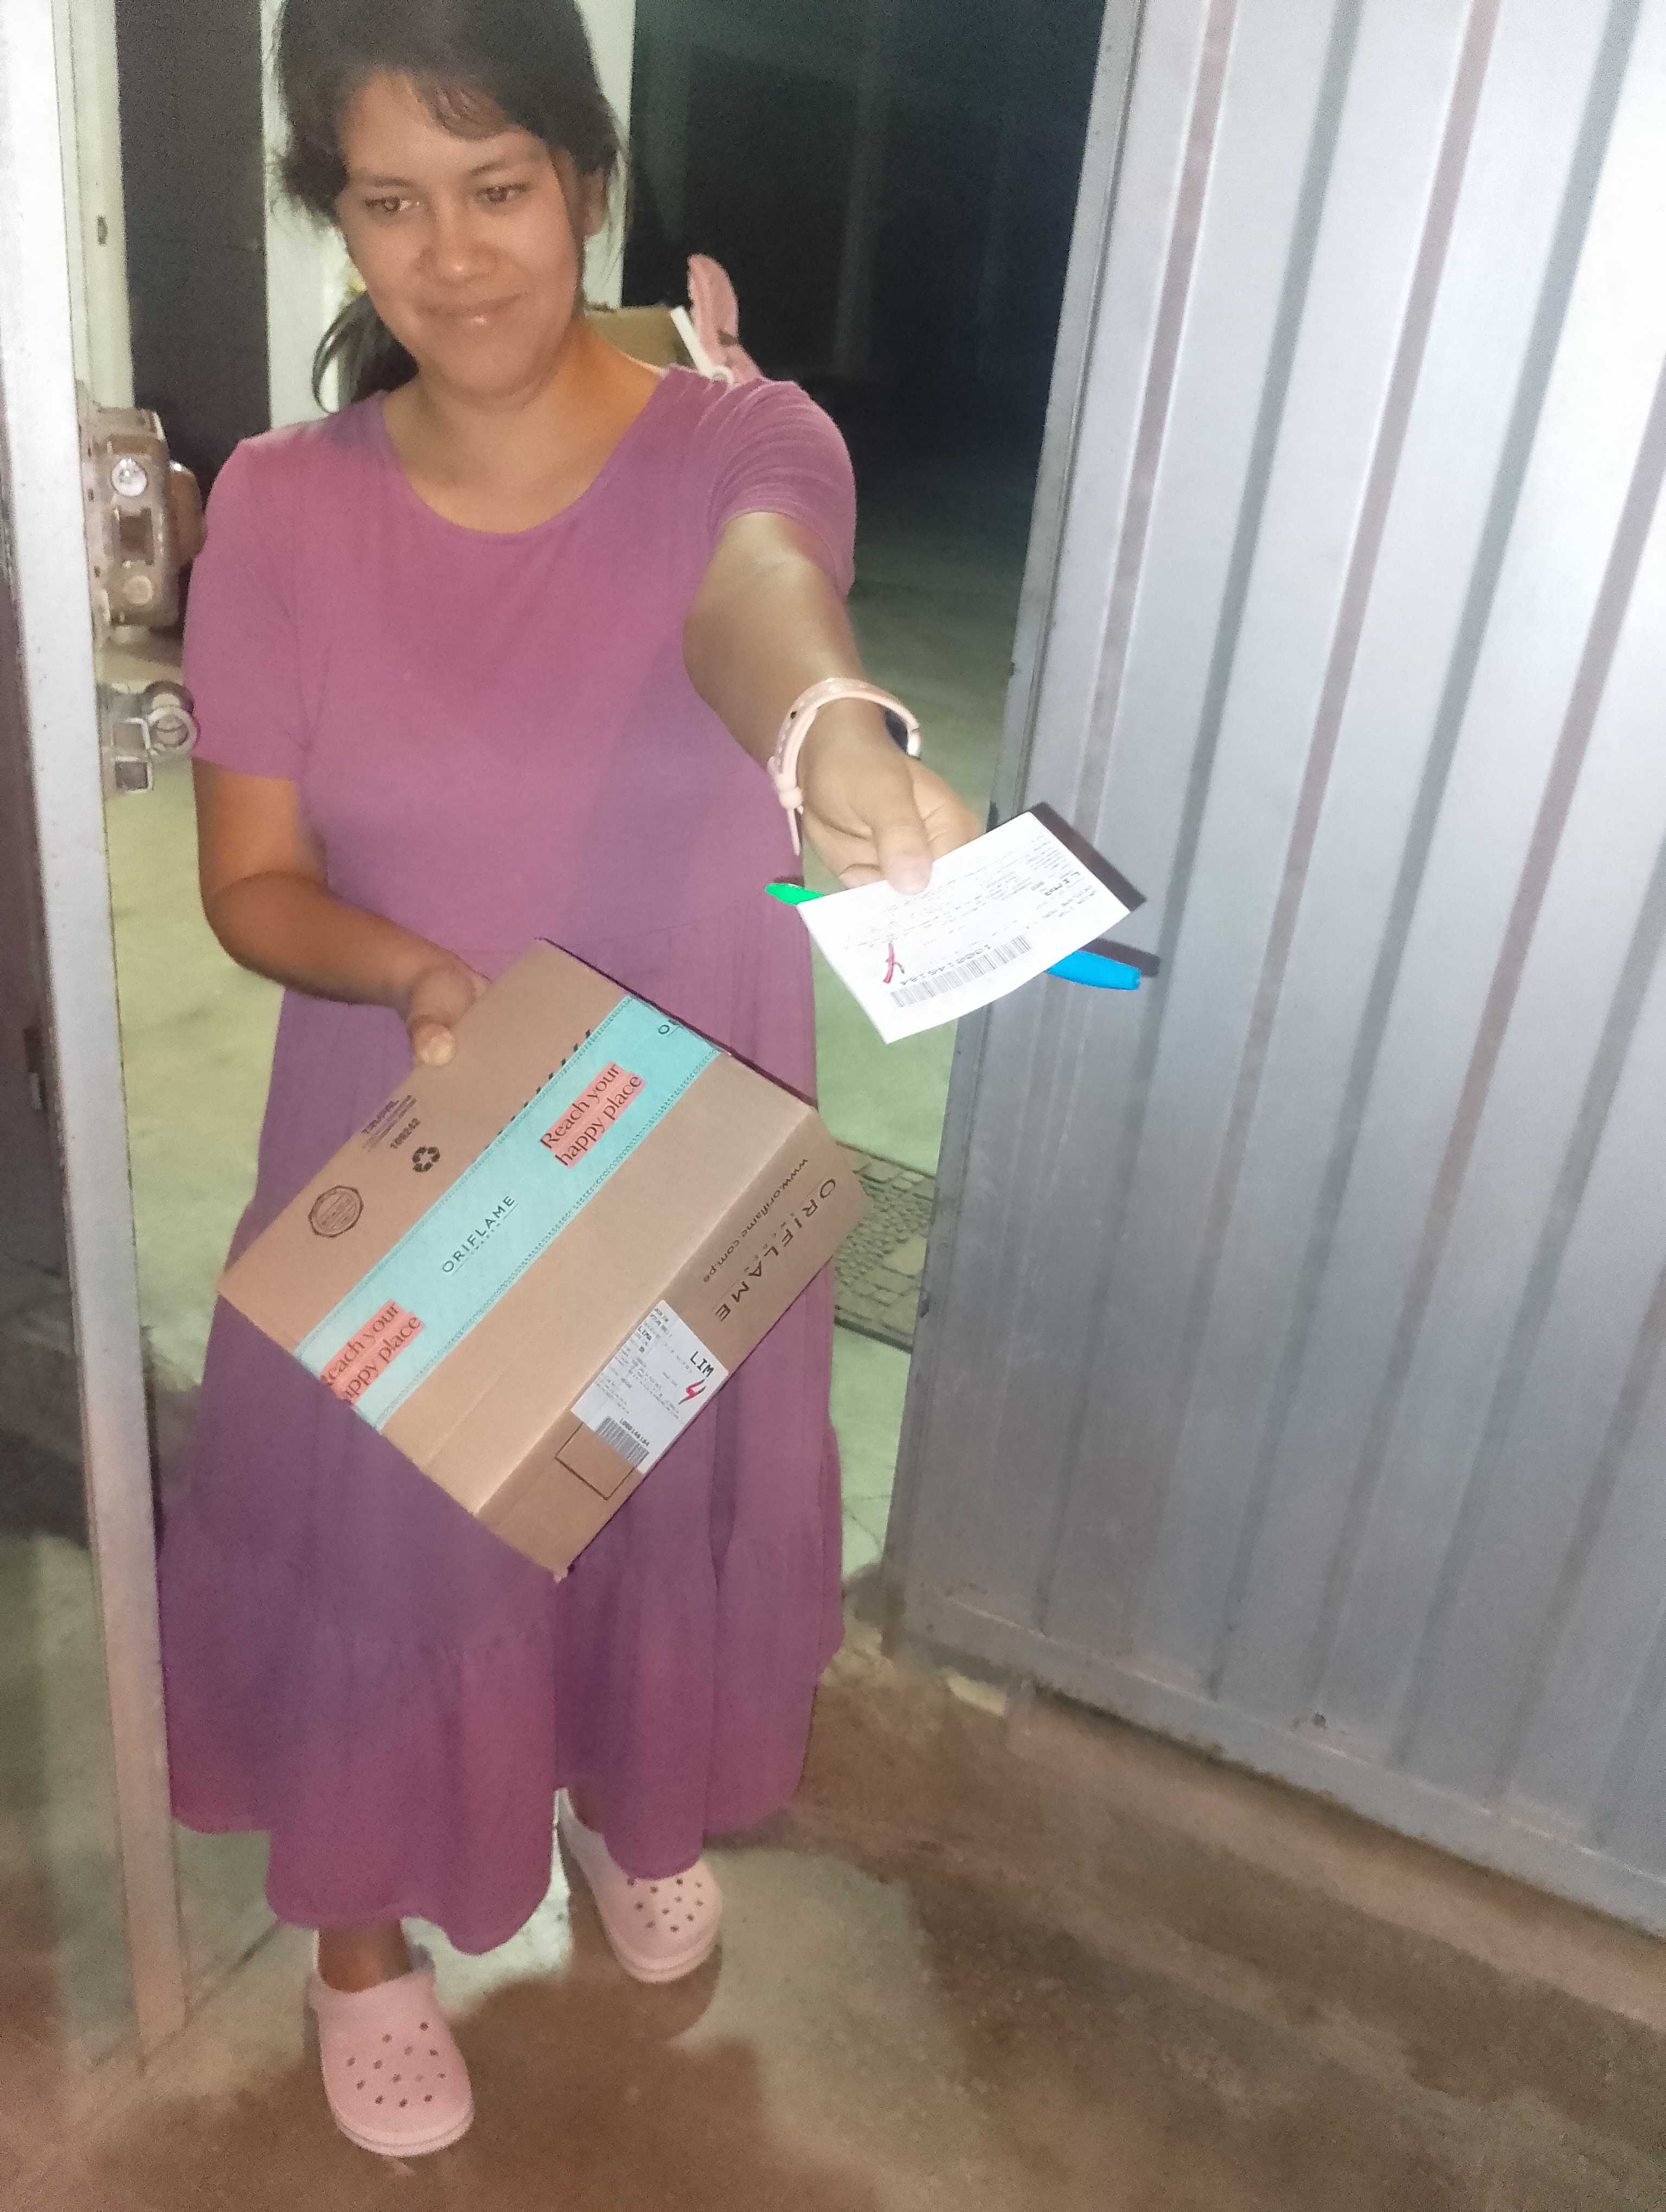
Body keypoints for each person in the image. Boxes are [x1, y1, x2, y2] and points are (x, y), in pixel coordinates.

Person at [157, 0, 978, 2160]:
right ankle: (358, 1934)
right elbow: (250, 880)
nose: (453, 256)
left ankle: (626, 1798)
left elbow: (760, 597)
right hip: (428, 1135)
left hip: (682, 1144)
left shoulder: (739, 443)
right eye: (390, 203)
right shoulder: (282, 510)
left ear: (586, 183)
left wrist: (832, 735)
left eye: (499, 187)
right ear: (337, 221)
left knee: (644, 1499)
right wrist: (409, 970)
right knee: (391, 1540)